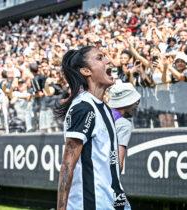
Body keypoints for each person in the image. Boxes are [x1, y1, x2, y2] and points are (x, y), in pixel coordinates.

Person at [56, 46, 131, 210]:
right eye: (100, 58)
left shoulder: (104, 108)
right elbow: (67, 165)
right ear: (86, 71)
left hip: (113, 202)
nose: (108, 61)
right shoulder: (83, 107)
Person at [107, 81, 141, 172]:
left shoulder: (100, 113)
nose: (137, 105)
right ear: (126, 102)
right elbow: (117, 165)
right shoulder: (123, 124)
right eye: (136, 101)